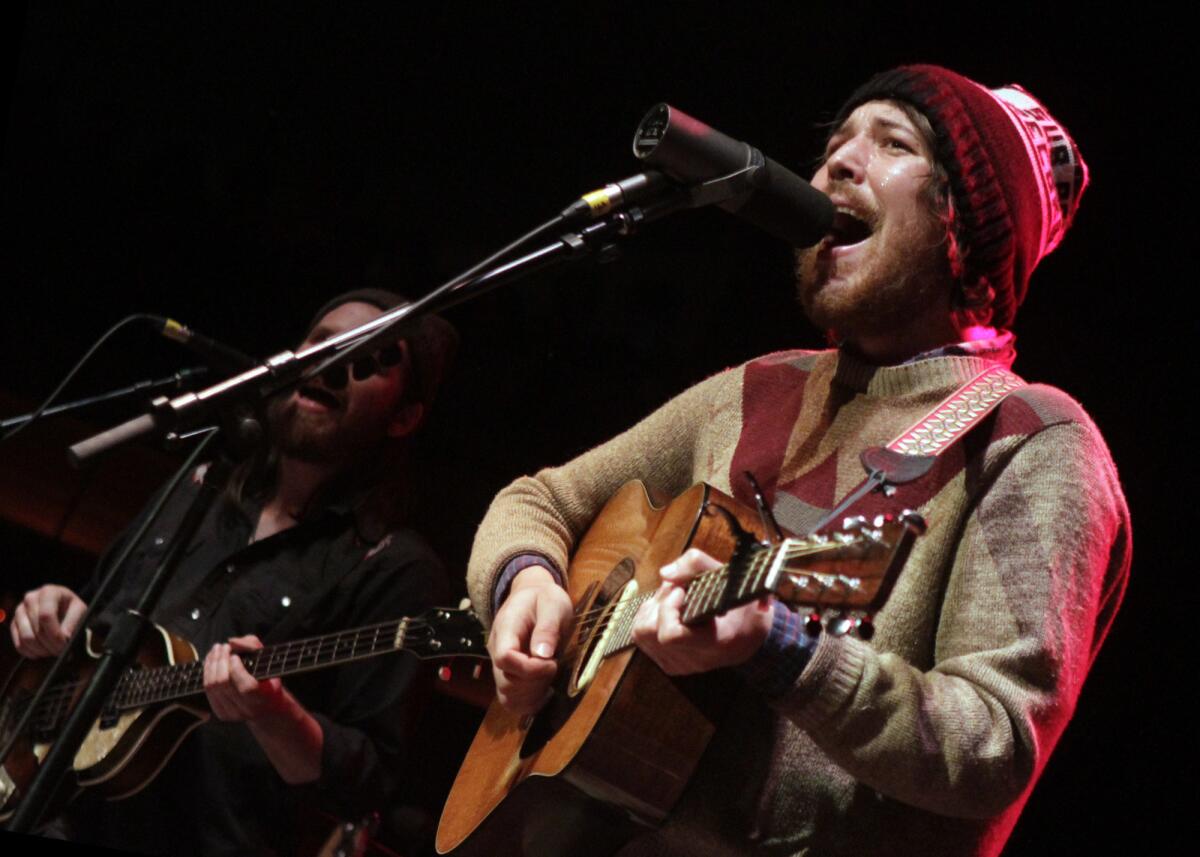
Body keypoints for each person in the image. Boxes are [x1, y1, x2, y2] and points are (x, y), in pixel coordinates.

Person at [467, 65, 1131, 856]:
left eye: (892, 144)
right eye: (834, 147)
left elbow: (991, 744)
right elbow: (538, 498)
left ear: (968, 228)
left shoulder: (1031, 436)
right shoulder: (758, 385)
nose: (835, 167)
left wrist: (790, 651)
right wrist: (524, 579)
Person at [9, 289, 459, 855]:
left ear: (405, 416)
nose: (335, 363)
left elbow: (364, 780)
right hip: (50, 810)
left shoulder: (395, 566)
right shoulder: (200, 487)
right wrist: (53, 616)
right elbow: (94, 624)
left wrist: (275, 712)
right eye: (324, 343)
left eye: (367, 358)